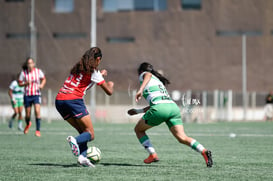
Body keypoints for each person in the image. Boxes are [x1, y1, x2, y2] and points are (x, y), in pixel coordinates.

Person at [127, 62, 213, 167]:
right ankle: (204, 151)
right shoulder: (157, 81)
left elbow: (148, 75)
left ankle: (152, 154)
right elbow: (156, 104)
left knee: (139, 130)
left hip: (161, 109)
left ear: (140, 72)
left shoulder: (145, 75)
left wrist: (140, 89)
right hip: (173, 108)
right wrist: (138, 111)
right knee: (182, 138)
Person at [55, 47, 114, 167]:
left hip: (60, 100)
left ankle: (82, 158)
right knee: (90, 134)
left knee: (83, 132)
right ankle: (75, 140)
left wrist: (100, 75)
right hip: (74, 100)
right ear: (98, 59)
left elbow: (84, 85)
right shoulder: (94, 72)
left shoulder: (78, 67)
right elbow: (109, 92)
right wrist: (110, 84)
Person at [18, 57, 46, 137]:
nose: (30, 65)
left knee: (37, 111)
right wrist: (25, 83)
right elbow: (19, 83)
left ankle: (38, 130)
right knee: (27, 114)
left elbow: (44, 79)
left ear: (33, 64)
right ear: (27, 64)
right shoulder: (23, 73)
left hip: (36, 94)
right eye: (28, 63)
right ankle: (28, 123)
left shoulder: (38, 71)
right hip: (27, 95)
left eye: (31, 63)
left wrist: (42, 85)